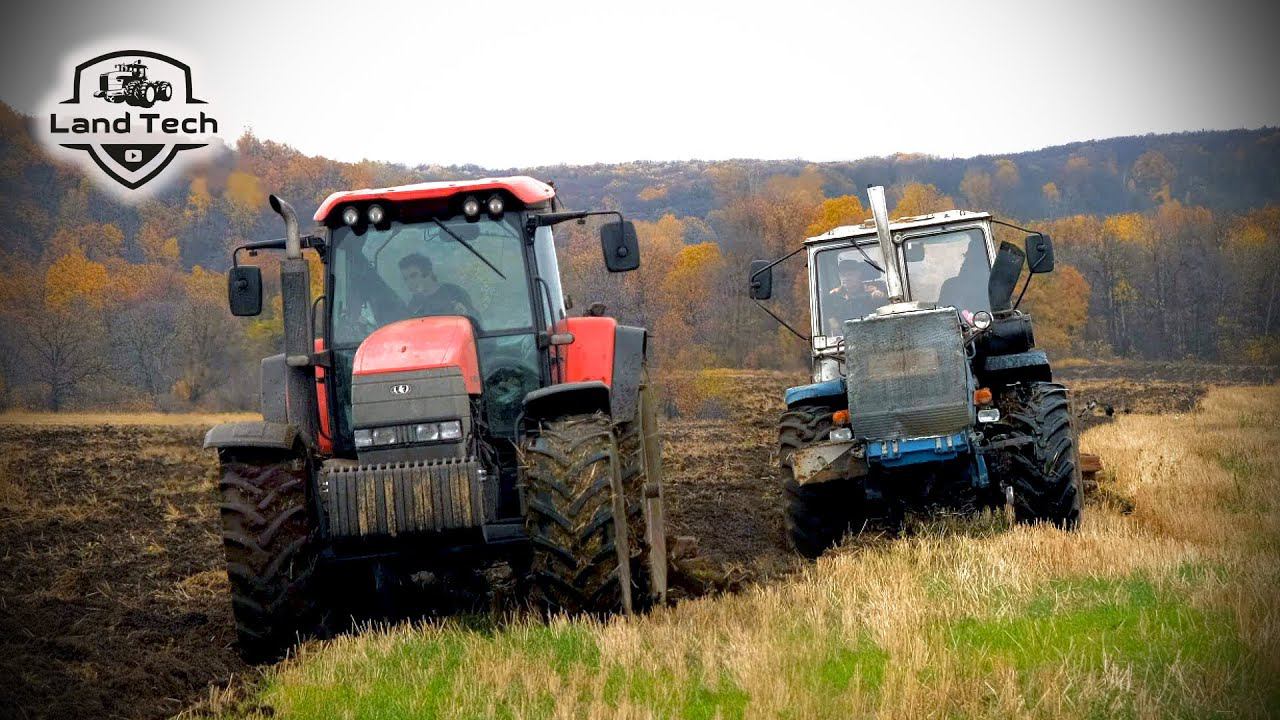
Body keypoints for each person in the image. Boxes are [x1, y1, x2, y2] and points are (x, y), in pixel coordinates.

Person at [398, 253, 475, 318]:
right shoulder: (414, 304)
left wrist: (465, 314)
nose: (409, 282)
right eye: (405, 279)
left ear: (428, 272)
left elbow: (476, 322)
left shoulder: (454, 292)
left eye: (413, 276)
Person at [825, 256, 886, 336]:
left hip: (874, 335)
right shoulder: (832, 297)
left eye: (850, 274)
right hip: (843, 340)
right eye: (843, 275)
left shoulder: (873, 291)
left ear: (859, 274)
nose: (846, 278)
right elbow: (832, 324)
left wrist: (881, 297)